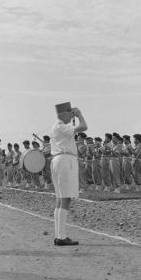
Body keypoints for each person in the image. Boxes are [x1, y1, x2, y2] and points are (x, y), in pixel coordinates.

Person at [50, 102, 88, 246]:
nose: (71, 114)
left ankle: (58, 235)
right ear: (63, 114)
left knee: (60, 199)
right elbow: (84, 127)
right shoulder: (61, 126)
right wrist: (79, 115)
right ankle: (61, 236)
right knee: (65, 199)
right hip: (65, 160)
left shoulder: (57, 126)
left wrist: (73, 115)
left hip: (59, 160)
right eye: (69, 112)